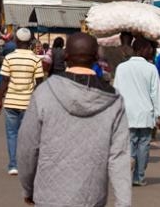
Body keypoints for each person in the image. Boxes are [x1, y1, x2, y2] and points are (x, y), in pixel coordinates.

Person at [17, 33, 131, 207]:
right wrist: (123, 203)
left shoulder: (44, 92)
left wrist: (28, 188)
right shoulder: (113, 99)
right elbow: (119, 157)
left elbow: (27, 147)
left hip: (48, 196)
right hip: (91, 198)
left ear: (65, 56)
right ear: (96, 58)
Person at [113, 37, 160, 187]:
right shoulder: (151, 68)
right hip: (145, 114)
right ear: (141, 50)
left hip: (127, 113)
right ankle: (139, 177)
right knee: (144, 145)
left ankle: (129, 158)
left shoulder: (121, 68)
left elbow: (116, 92)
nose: (150, 51)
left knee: (130, 142)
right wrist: (159, 115)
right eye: (148, 48)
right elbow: (156, 93)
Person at [0, 27, 44, 176]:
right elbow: (40, 82)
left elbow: (4, 80)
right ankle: (26, 166)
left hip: (11, 102)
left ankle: (13, 165)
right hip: (28, 103)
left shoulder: (9, 58)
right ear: (30, 41)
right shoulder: (36, 59)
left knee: (12, 135)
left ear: (15, 40)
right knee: (27, 136)